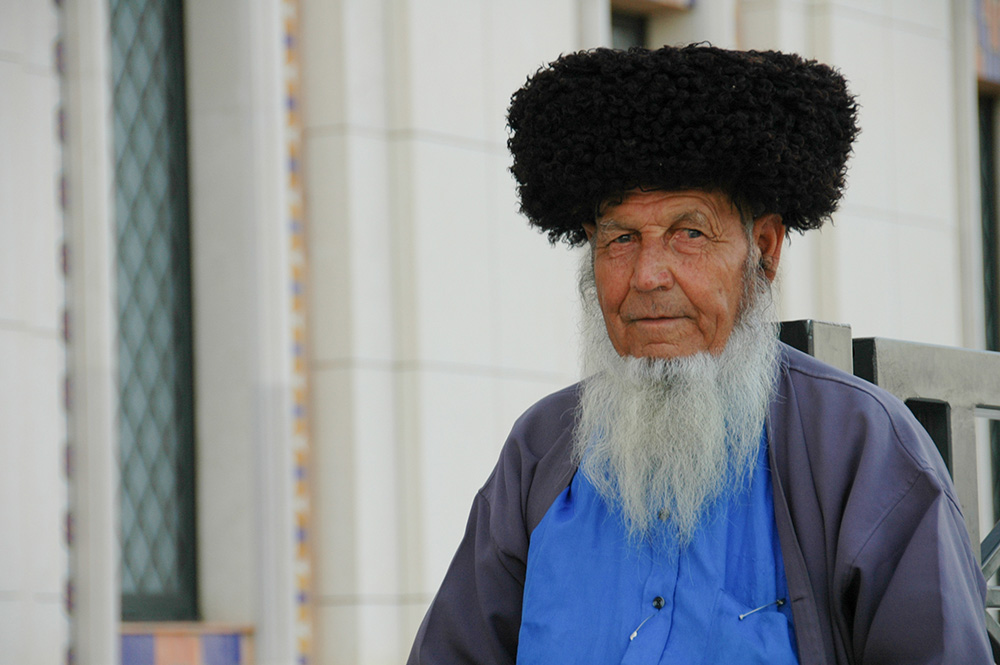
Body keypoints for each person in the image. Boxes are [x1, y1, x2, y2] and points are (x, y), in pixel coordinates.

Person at [407, 44, 991, 664]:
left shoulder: (858, 446)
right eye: (622, 238)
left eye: (689, 233)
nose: (648, 275)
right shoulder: (541, 452)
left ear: (763, 250)